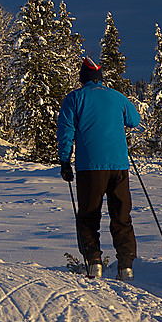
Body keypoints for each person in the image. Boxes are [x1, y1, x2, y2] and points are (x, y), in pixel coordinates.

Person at [57, 57, 141, 280]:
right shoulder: (117, 97)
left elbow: (65, 131)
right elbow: (134, 120)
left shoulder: (74, 98)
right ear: (100, 78)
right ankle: (126, 266)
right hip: (119, 167)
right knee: (121, 215)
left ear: (82, 78)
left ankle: (94, 263)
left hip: (90, 168)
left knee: (88, 215)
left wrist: (65, 161)